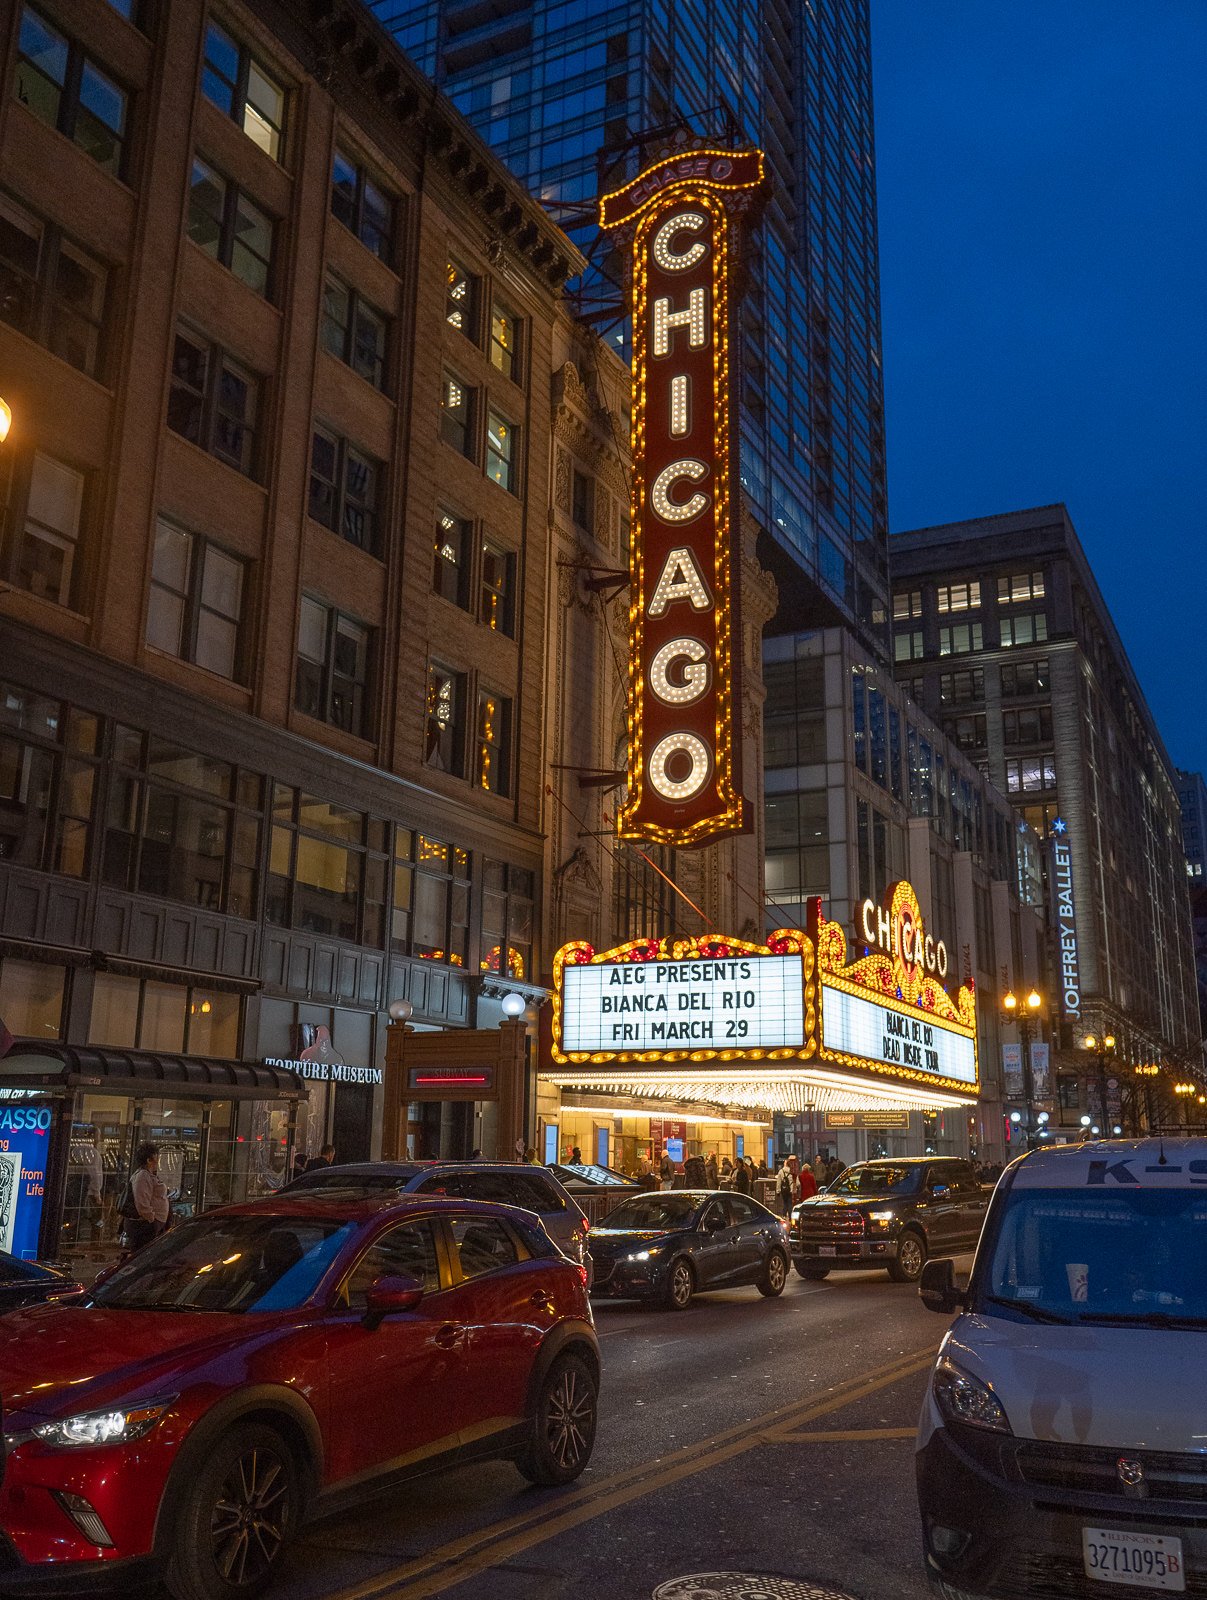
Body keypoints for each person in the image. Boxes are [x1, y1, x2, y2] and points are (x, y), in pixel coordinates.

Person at [121, 1142, 169, 1254]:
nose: (158, 1159)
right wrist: (152, 1219)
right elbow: (142, 1203)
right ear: (149, 1159)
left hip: (148, 1224)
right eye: (156, 1156)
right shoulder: (143, 1176)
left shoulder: (148, 1174)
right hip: (144, 1226)